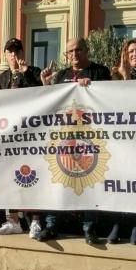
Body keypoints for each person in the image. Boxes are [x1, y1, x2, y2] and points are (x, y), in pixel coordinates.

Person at [35, 37, 109, 243]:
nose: (74, 55)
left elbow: (109, 99)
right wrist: (46, 84)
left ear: (87, 50)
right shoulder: (62, 75)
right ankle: (51, 225)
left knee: (89, 181)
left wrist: (92, 87)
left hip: (90, 138)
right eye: (70, 51)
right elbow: (51, 104)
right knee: (57, 181)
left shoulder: (100, 72)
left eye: (78, 50)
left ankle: (89, 227)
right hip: (63, 137)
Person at [0, 38, 41, 237]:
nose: (13, 55)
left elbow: (43, 94)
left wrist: (26, 73)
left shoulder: (34, 72)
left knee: (33, 177)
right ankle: (13, 220)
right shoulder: (2, 77)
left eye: (16, 51)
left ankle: (36, 220)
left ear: (22, 52)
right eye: (9, 52)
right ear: (6, 55)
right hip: (9, 138)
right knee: (8, 177)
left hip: (31, 137)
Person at [106, 38, 136, 245]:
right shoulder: (114, 75)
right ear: (125, 54)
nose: (135, 55)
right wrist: (124, 79)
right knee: (119, 184)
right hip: (119, 141)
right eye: (131, 51)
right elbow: (116, 104)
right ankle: (117, 224)